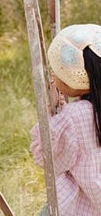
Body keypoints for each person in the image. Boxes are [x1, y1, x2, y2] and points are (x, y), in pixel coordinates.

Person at [30, 24, 101, 216]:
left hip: (80, 206)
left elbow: (47, 157)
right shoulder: (86, 112)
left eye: (57, 71)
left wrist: (52, 114)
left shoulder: (73, 117)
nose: (53, 76)